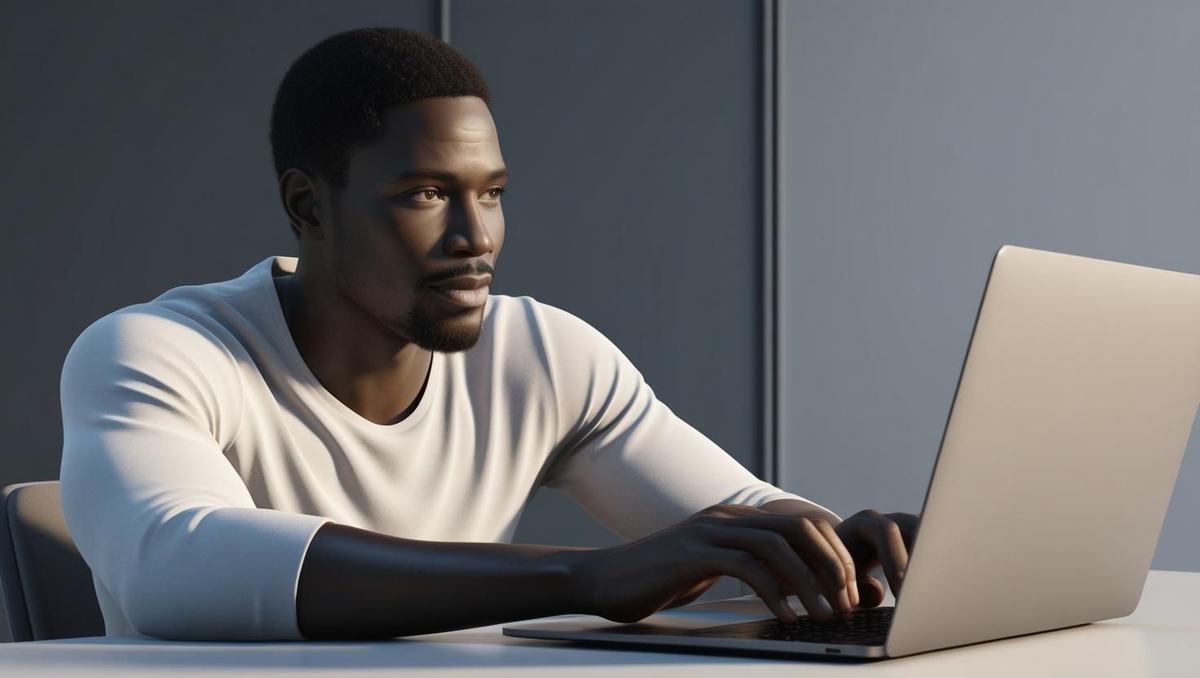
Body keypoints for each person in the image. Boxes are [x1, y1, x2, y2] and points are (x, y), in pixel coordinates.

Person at [58, 27, 918, 641]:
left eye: (492, 193)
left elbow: (728, 520)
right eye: (427, 195)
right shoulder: (155, 352)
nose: (476, 237)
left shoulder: (539, 356)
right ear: (308, 205)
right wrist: (586, 578)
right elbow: (173, 563)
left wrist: (833, 546)